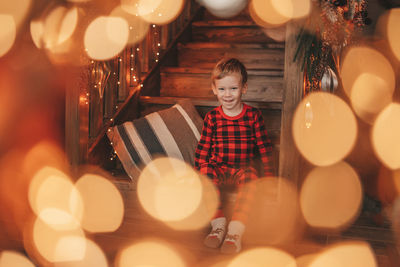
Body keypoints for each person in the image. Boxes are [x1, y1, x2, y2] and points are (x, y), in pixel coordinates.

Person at [194, 58, 274, 254]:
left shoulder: (253, 115)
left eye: (233, 89)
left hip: (242, 168)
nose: (227, 95)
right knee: (205, 172)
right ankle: (218, 225)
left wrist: (270, 178)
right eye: (222, 89)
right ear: (214, 89)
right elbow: (203, 148)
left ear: (244, 88)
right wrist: (198, 174)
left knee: (251, 179)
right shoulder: (212, 117)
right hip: (218, 166)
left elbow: (264, 147)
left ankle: (235, 231)